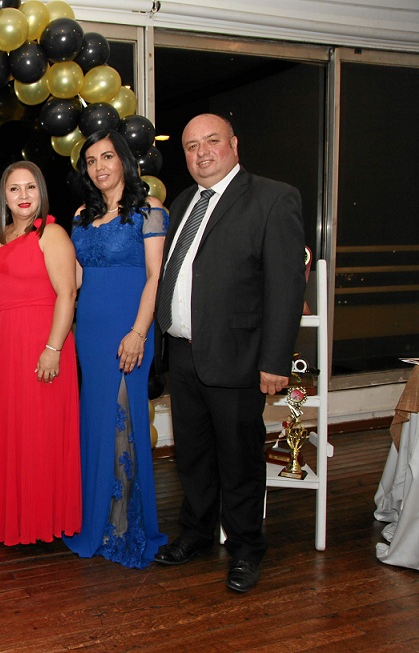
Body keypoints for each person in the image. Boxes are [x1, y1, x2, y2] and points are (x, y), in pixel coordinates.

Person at [153, 113, 306, 593]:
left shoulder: (273, 198)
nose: (202, 152)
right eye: (191, 145)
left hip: (239, 357)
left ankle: (245, 547)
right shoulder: (183, 201)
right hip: (183, 354)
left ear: (234, 144)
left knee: (239, 458)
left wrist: (275, 362)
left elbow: (284, 289)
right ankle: (196, 534)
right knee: (193, 456)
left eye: (212, 141)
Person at [63, 130, 169, 568]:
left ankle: (125, 526)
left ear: (124, 160)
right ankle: (97, 518)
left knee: (123, 421)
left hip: (129, 330)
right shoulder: (82, 215)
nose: (99, 166)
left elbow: (154, 276)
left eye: (107, 156)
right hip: (89, 332)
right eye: (91, 160)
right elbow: (74, 279)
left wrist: (139, 332)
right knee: (96, 422)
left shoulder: (151, 211)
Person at [0, 161, 82, 546]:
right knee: (12, 431)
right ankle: (15, 517)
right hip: (6, 344)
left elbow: (68, 293)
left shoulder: (52, 233)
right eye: (14, 189)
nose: (23, 196)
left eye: (30, 188)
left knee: (41, 432)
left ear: (41, 192)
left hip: (44, 340)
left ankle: (43, 519)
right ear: (4, 196)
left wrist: (53, 348)